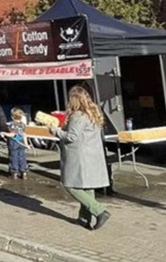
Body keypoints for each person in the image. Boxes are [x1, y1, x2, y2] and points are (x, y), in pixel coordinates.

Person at [50, 86, 112, 230]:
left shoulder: (78, 116)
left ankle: (99, 211)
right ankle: (84, 219)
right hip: (92, 156)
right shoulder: (93, 113)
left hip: (79, 157)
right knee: (87, 187)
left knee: (70, 185)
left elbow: (72, 137)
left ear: (74, 100)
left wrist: (55, 131)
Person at [5, 108, 30, 179]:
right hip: (21, 142)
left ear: (12, 117)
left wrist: (5, 133)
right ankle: (23, 171)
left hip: (14, 142)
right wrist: (26, 144)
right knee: (22, 157)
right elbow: (24, 135)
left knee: (13, 157)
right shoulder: (23, 125)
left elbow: (12, 134)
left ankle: (14, 172)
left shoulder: (11, 124)